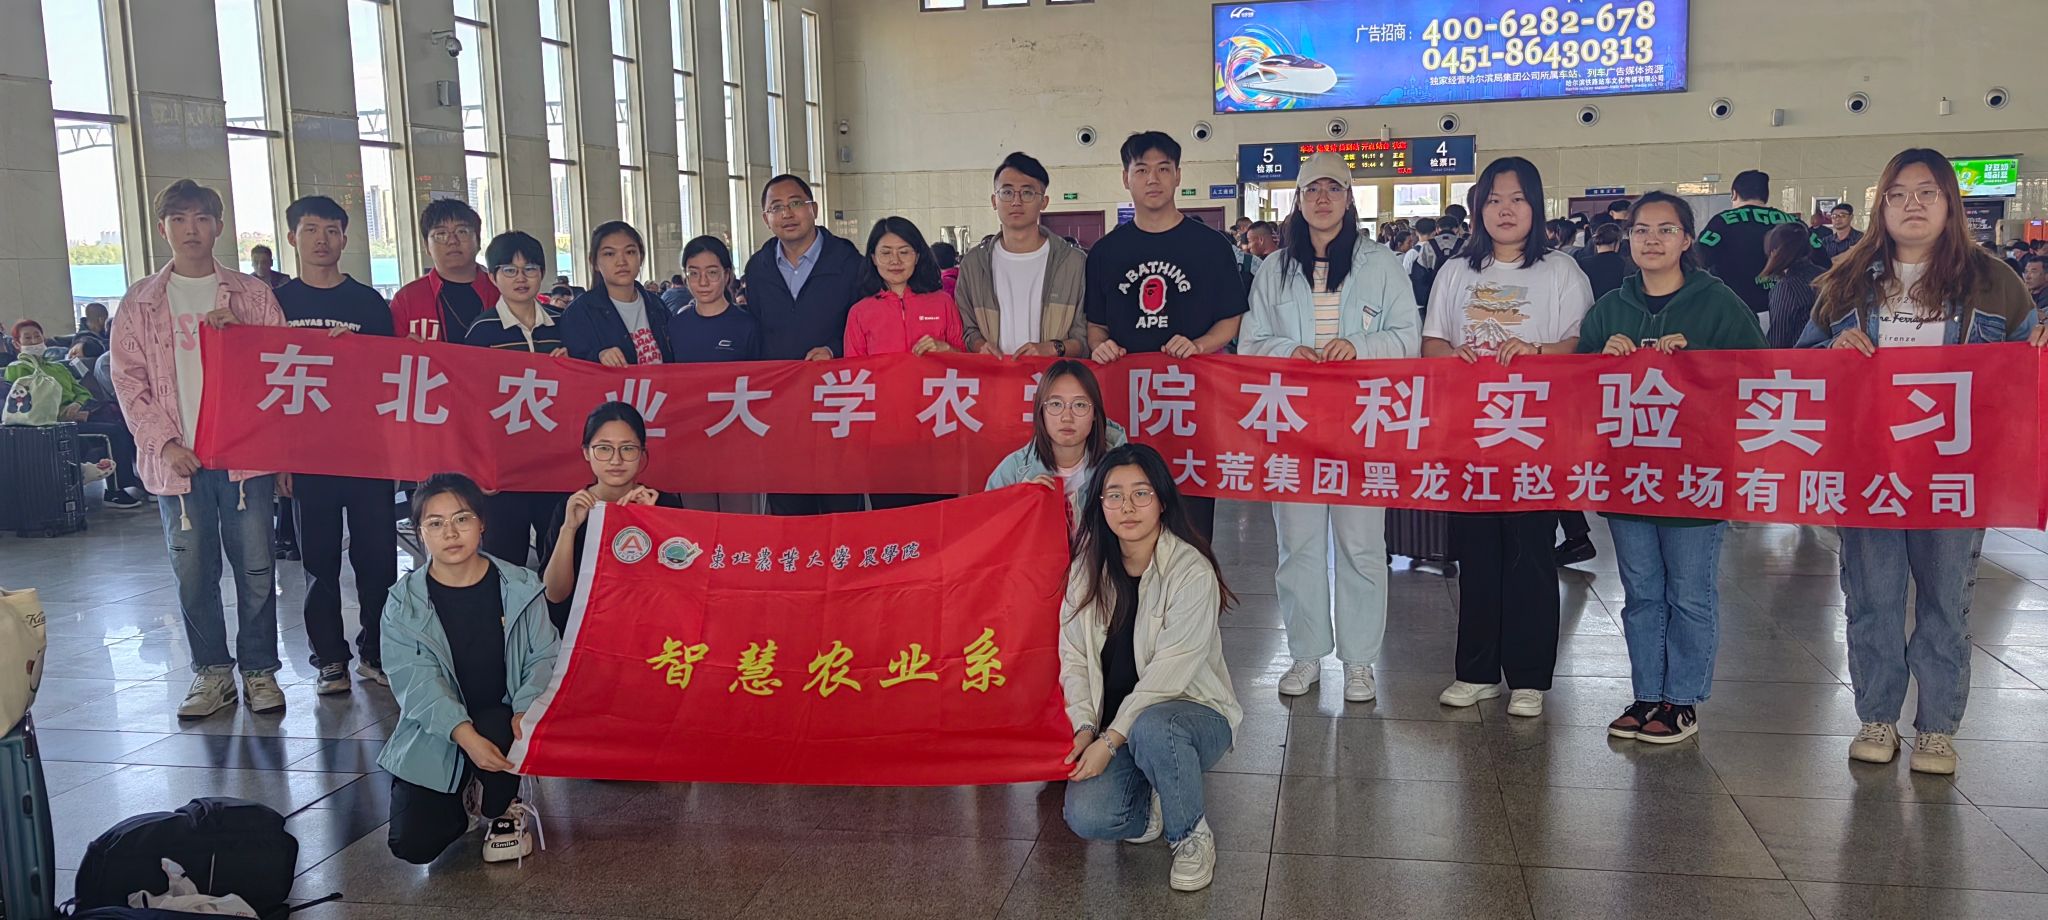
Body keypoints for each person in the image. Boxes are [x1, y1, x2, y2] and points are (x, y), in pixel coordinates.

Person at [1797, 148, 2047, 775]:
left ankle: (1936, 728)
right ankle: (1877, 717)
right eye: (1899, 193)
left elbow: (2025, 365)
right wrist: (1832, 351)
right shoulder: (1846, 281)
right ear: (1881, 206)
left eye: (1928, 192)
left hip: (1954, 472)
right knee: (1872, 597)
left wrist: (2038, 348)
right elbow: (1803, 365)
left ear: (1949, 204)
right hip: (1869, 468)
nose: (1913, 204)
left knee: (1945, 599)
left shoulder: (1995, 282)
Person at [1578, 192, 1765, 745]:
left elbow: (1761, 375)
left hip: (1695, 475)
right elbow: (1575, 390)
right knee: (1640, 592)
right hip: (1627, 473)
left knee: (1689, 591)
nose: (1652, 240)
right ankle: (1646, 695)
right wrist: (1600, 361)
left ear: (1687, 240)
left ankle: (1681, 700)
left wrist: (1700, 360)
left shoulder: (1718, 303)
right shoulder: (1610, 308)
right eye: (1641, 230)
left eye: (1666, 230)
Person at [1240, 151, 1421, 704]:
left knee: (1362, 546)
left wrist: (1359, 346)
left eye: (1334, 188)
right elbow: (1251, 342)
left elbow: (1407, 336)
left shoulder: (1380, 264)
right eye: (1312, 189)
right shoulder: (1275, 267)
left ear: (1349, 199)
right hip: (1294, 428)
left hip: (1361, 425)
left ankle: (1360, 661)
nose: (1323, 198)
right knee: (1297, 545)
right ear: (1297, 200)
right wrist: (1288, 351)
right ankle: (1305, 653)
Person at [1421, 157, 1594, 719]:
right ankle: (1476, 672)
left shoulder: (1561, 272)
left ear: (1535, 206)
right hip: (1470, 436)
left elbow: (1580, 346)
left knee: (1530, 555)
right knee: (1477, 555)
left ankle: (1528, 678)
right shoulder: (1456, 272)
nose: (1505, 210)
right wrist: (1454, 354)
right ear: (1478, 208)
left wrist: (1537, 351)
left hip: (1536, 435)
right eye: (1494, 199)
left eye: (1517, 198)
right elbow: (1432, 345)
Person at [111, 179, 288, 718]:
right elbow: (128, 380)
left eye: (202, 218)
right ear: (162, 228)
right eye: (179, 219)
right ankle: (212, 671)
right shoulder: (141, 301)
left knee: (256, 569)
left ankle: (259, 669)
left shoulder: (252, 296)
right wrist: (164, 443)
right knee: (193, 573)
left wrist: (243, 338)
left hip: (244, 461)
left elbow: (282, 366)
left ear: (219, 226)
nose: (191, 229)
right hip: (178, 465)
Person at [1057, 443, 1241, 894]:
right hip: (1117, 726)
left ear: (1161, 500)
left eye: (1141, 493)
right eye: (1114, 495)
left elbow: (1165, 680)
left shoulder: (1191, 571)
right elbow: (1074, 657)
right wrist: (1085, 726)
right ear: (1099, 504)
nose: (1127, 507)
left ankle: (1190, 834)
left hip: (1193, 715)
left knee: (1156, 727)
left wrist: (1109, 742)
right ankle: (1155, 795)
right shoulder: (1086, 569)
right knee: (1087, 814)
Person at [1083, 131, 1249, 542]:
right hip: (1129, 407)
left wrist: (1200, 345)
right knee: (1129, 515)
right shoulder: (1105, 252)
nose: (1152, 179)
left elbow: (1231, 320)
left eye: (1163, 169)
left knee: (1191, 524)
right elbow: (1096, 325)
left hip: (1191, 404)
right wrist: (1100, 345)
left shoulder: (1210, 246)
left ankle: (1191, 585)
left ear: (1178, 176)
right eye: (1141, 170)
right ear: (1126, 178)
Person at [379, 473, 551, 866]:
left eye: (462, 518)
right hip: (439, 727)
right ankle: (465, 794)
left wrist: (526, 710)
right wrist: (464, 736)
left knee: (499, 725)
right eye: (435, 523)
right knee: (413, 845)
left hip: (503, 718)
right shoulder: (403, 603)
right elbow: (415, 682)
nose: (451, 533)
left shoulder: (521, 587)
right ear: (420, 532)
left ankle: (505, 804)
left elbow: (544, 657)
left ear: (482, 523)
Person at [273, 195, 400, 695]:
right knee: (318, 563)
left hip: (368, 451)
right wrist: (278, 456)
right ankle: (329, 658)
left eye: (331, 230)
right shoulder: (278, 304)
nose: (321, 240)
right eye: (310, 230)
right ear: (292, 238)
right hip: (308, 454)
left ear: (345, 238)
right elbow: (263, 382)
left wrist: (358, 354)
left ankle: (376, 651)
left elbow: (391, 375)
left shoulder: (368, 303)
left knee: (377, 559)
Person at [741, 174, 865, 517]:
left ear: (814, 209)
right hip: (782, 409)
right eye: (776, 207)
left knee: (841, 509)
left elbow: (864, 324)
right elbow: (757, 329)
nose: (787, 213)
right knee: (789, 509)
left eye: (796, 203)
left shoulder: (848, 261)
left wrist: (834, 349)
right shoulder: (758, 268)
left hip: (836, 403)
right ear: (765, 218)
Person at [466, 231, 572, 567]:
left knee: (558, 554)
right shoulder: (481, 331)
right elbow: (469, 404)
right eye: (509, 270)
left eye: (530, 269)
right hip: (504, 470)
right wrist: (480, 466)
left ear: (542, 273)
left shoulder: (563, 325)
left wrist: (573, 366)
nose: (521, 278)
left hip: (556, 464)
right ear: (493, 276)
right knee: (505, 558)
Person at [845, 216, 966, 510]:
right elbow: (852, 378)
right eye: (885, 252)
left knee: (940, 520)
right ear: (873, 258)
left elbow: (967, 366)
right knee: (893, 522)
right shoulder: (860, 312)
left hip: (938, 433)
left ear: (918, 256)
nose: (895, 261)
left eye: (904, 251)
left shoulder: (942, 302)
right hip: (886, 440)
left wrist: (947, 349)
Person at [542, 402, 683, 634]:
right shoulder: (572, 508)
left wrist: (654, 521)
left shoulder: (663, 504)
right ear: (586, 452)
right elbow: (554, 594)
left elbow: (682, 587)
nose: (616, 460)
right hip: (584, 636)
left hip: (649, 633)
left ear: (642, 453)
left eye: (627, 448)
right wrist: (569, 528)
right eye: (604, 448)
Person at [957, 151, 1089, 359]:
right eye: (1007, 192)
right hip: (995, 376)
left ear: (1044, 202)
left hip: (1053, 376)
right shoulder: (974, 264)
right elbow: (966, 328)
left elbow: (1085, 337)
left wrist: (1053, 348)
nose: (1016, 201)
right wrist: (979, 345)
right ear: (994, 200)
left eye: (1027, 193)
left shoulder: (1074, 263)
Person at [669, 235, 760, 514]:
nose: (703, 282)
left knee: (739, 522)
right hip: (691, 441)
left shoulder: (746, 325)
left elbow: (763, 382)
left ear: (727, 275)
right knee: (698, 522)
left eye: (712, 273)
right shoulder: (676, 326)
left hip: (737, 441)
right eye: (694, 273)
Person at [986, 358, 1127, 527]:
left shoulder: (1120, 467)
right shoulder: (1012, 472)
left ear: (1095, 414)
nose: (1067, 417)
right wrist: (1020, 504)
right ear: (1041, 411)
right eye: (1055, 404)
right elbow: (987, 534)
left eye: (1080, 405)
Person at [1698, 169, 1818, 329]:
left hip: (1738, 312)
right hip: (1794, 313)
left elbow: (1697, 259)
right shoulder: (1794, 223)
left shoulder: (1722, 222)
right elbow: (1822, 261)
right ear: (1765, 196)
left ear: (1734, 194)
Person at [560, 221, 674, 367]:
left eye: (630, 252)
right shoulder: (579, 313)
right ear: (594, 262)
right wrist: (598, 356)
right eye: (609, 254)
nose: (621, 262)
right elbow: (573, 365)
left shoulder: (657, 306)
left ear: (641, 257)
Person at [390, 199, 498, 342]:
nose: (452, 241)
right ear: (426, 246)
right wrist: (401, 348)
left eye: (462, 232)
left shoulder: (502, 291)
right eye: (440, 234)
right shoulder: (406, 299)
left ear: (478, 240)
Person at [6, 320, 93, 423]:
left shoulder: (59, 367)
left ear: (44, 339)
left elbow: (84, 393)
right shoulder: (18, 367)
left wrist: (77, 403)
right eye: (28, 338)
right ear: (16, 344)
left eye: (37, 336)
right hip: (52, 422)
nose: (34, 341)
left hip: (80, 412)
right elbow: (30, 402)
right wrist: (62, 414)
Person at [1763, 222, 1827, 348]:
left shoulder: (1786, 287)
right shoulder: (1825, 275)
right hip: (1827, 353)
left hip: (1798, 356)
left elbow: (1778, 341)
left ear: (1774, 251)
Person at [1578, 222, 1627, 301]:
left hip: (1590, 306)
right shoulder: (1625, 264)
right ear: (1617, 243)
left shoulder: (1582, 264)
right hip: (1615, 306)